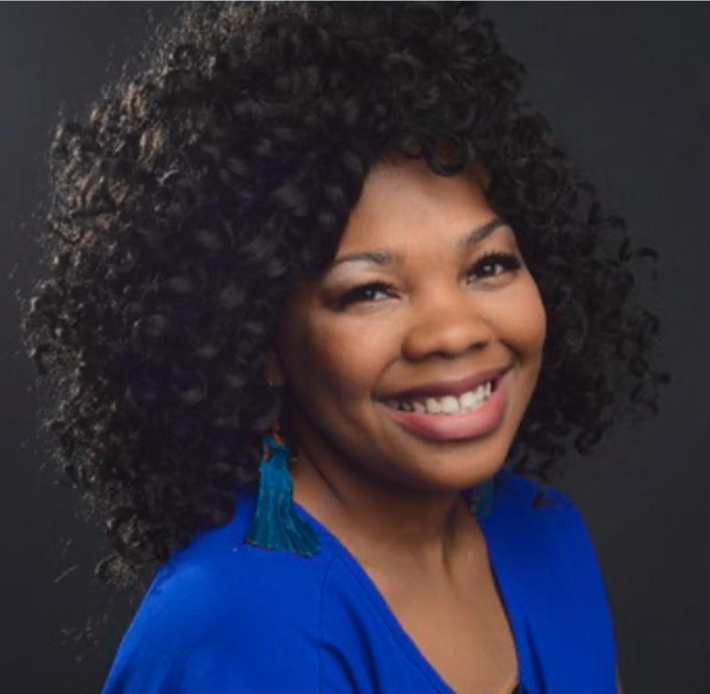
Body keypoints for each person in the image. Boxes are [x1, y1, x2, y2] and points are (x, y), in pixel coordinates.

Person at [20, 2, 669, 692]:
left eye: (488, 265)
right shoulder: (239, 634)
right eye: (370, 291)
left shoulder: (547, 534)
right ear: (260, 338)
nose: (455, 331)